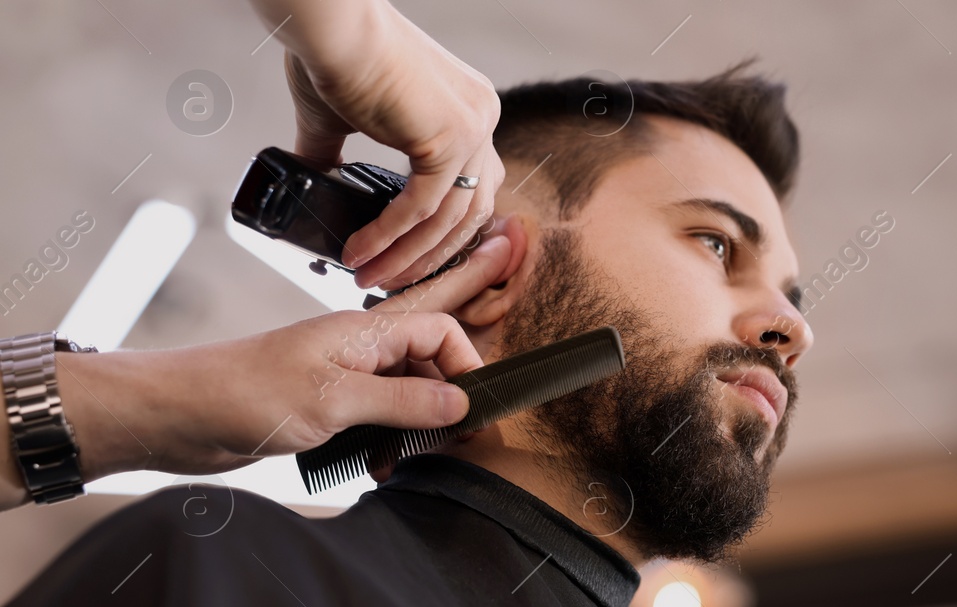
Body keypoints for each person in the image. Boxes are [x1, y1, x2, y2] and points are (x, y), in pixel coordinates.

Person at [5, 3, 813, 606]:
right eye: (716, 243)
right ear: (493, 271)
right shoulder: (222, 573)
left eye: (792, 295)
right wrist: (137, 403)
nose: (794, 329)